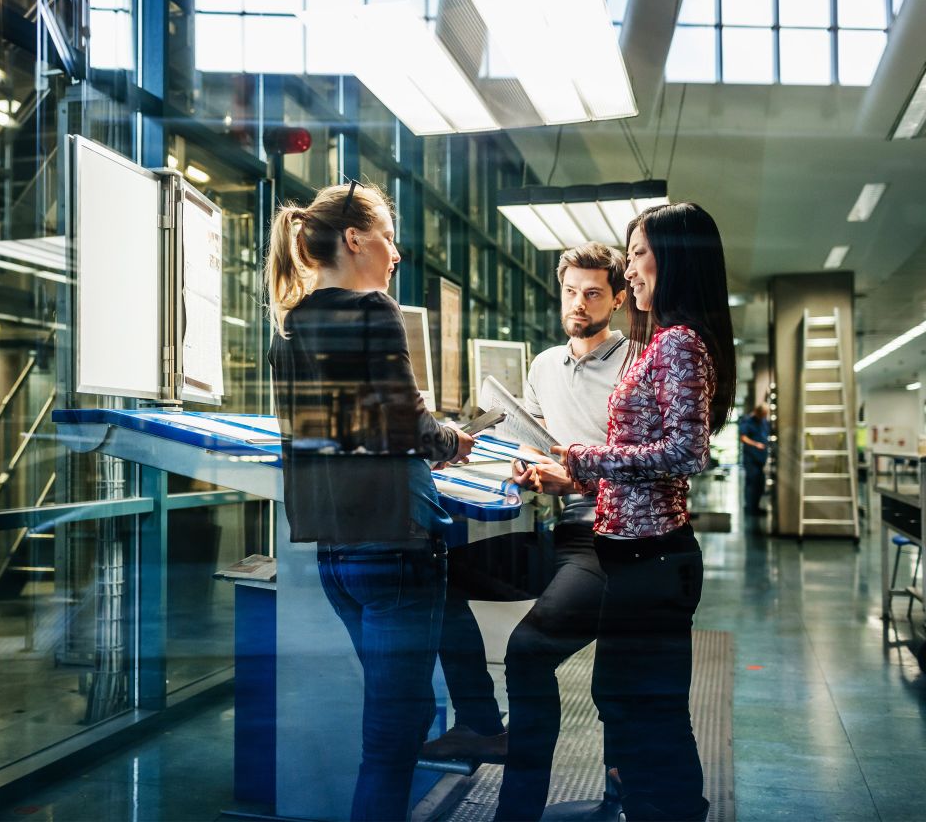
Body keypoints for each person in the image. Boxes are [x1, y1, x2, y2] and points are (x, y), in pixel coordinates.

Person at [265, 180, 475, 821]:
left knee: (403, 713)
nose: (396, 252)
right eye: (389, 235)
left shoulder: (290, 325)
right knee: (388, 742)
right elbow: (404, 426)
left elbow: (327, 432)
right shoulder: (375, 309)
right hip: (396, 544)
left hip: (337, 554)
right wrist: (450, 438)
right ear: (355, 239)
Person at [423, 243, 629, 821]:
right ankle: (481, 723)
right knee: (435, 574)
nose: (579, 304)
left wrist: (575, 475)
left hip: (612, 539)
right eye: (571, 292)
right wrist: (521, 461)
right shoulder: (543, 366)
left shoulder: (636, 364)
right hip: (560, 532)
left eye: (593, 293)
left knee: (529, 649)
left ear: (616, 298)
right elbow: (534, 442)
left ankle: (516, 812)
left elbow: (641, 459)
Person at [556, 203, 736, 822]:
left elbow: (688, 452)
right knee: (624, 699)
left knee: (648, 709)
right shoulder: (661, 340)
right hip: (636, 556)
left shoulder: (680, 343)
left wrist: (585, 459)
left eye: (636, 253)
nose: (628, 268)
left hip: (654, 558)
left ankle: (672, 812)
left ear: (674, 256)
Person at [739, 403, 770, 515]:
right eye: (763, 414)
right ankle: (750, 508)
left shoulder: (764, 422)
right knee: (752, 483)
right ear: (758, 412)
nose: (764, 416)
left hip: (760, 459)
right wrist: (756, 444)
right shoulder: (748, 421)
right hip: (751, 459)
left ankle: (756, 507)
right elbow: (743, 437)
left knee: (759, 483)